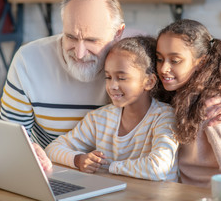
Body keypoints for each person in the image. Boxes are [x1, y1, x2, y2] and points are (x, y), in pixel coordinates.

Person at [0, 0, 221, 171]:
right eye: (70, 36)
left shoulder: (137, 56)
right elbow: (8, 136)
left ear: (118, 33)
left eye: (92, 40)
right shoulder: (28, 60)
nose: (80, 53)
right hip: (59, 172)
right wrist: (30, 151)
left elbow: (188, 78)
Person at [45, 36, 178, 181]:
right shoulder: (100, 118)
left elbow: (158, 168)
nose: (112, 86)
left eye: (121, 78)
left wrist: (108, 167)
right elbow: (53, 149)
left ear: (149, 82)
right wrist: (78, 159)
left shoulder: (164, 116)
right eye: (108, 77)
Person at [155, 19, 221, 187]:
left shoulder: (214, 107)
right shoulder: (168, 96)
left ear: (201, 63)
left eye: (175, 60)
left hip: (215, 193)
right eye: (159, 59)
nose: (163, 68)